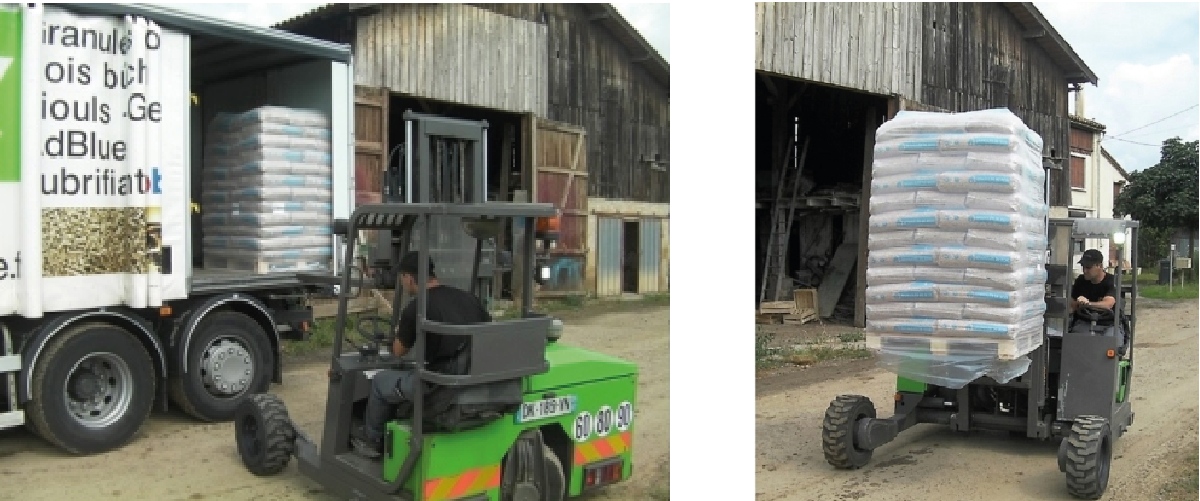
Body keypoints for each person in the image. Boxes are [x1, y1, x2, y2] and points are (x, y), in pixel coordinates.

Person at [352, 252, 492, 458]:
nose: (403, 284)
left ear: (409, 278)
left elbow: (399, 351)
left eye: (402, 279)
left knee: (381, 382)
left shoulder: (417, 307)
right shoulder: (468, 298)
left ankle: (373, 442)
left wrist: (399, 333)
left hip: (438, 385)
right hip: (473, 377)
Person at [1069, 249, 1117, 314]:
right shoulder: (1080, 280)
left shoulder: (1111, 280)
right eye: (1083, 267)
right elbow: (1071, 305)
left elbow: (1108, 304)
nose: (1084, 271)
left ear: (1100, 266)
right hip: (1083, 320)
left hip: (1107, 321)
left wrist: (1087, 304)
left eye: (1088, 267)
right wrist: (1078, 303)